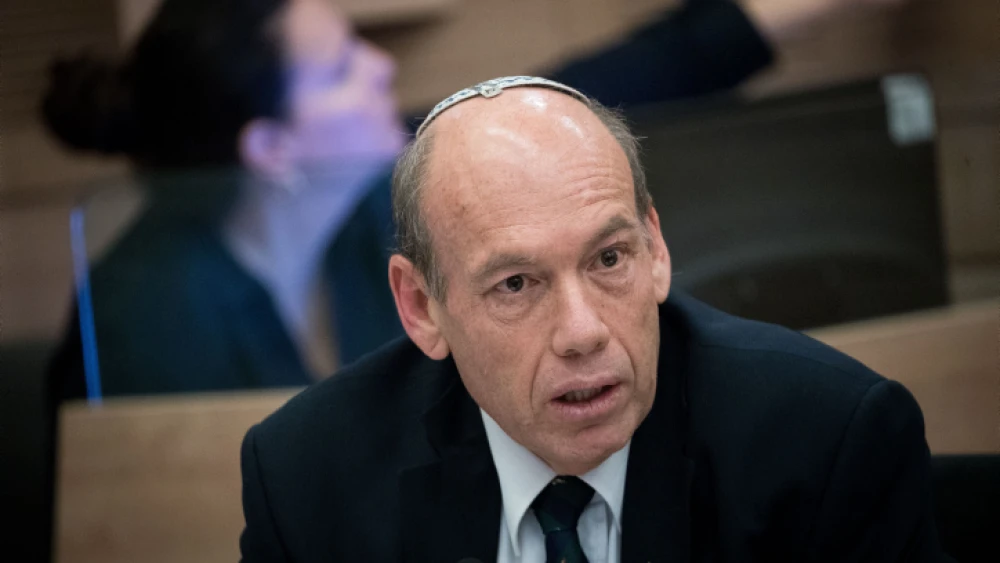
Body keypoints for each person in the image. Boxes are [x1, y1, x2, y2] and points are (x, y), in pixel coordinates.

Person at [238, 77, 951, 562]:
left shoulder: (826, 441)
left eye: (609, 259)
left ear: (656, 249)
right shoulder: (310, 478)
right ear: (422, 307)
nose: (583, 332)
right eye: (516, 284)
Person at [44, 0, 907, 396]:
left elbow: (591, 89)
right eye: (341, 68)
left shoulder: (366, 207)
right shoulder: (143, 321)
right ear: (271, 148)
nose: (380, 67)